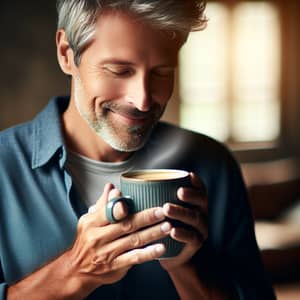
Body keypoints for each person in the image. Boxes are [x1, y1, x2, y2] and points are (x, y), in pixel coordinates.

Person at [0, 1, 276, 299]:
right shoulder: (4, 167)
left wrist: (188, 266)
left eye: (161, 72)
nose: (143, 100)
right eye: (120, 70)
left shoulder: (214, 166)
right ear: (67, 54)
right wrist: (77, 270)